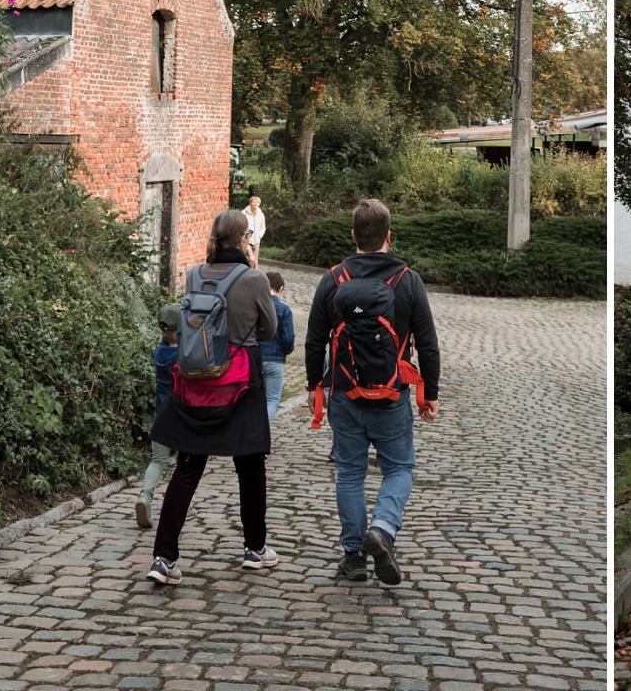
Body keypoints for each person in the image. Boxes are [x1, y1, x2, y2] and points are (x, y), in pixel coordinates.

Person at [306, 198, 440, 585]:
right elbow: (428, 344)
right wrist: (429, 391)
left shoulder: (334, 279)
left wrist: (316, 386)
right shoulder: (408, 281)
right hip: (392, 394)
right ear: (388, 236)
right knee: (399, 468)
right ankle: (382, 527)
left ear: (353, 237)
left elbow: (315, 342)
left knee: (349, 473)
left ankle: (354, 558)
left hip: (344, 395)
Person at [146, 210, 277, 586]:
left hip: (197, 382)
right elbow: (268, 330)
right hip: (240, 382)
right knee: (250, 467)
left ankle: (163, 557)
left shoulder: (194, 274)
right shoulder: (254, 279)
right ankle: (255, 549)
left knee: (187, 468)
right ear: (242, 239)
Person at [135, 304, 181, 529]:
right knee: (185, 465)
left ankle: (145, 496)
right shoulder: (184, 356)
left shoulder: (159, 351)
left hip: (160, 416)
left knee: (158, 461)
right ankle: (184, 504)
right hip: (183, 417)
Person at [259, 270, 296, 425]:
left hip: (256, 357)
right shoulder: (284, 309)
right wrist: (287, 350)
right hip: (275, 359)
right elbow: (288, 337)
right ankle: (261, 433)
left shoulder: (257, 307)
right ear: (280, 288)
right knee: (272, 399)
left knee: (256, 399)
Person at [242, 195, 267, 266]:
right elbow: (240, 225)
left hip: (256, 240)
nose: (256, 204)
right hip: (247, 240)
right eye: (254, 202)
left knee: (255, 260)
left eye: (257, 203)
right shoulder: (244, 213)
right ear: (250, 203)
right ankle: (247, 273)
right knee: (250, 258)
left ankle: (255, 275)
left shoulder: (261, 215)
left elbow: (263, 228)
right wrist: (244, 236)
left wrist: (259, 236)